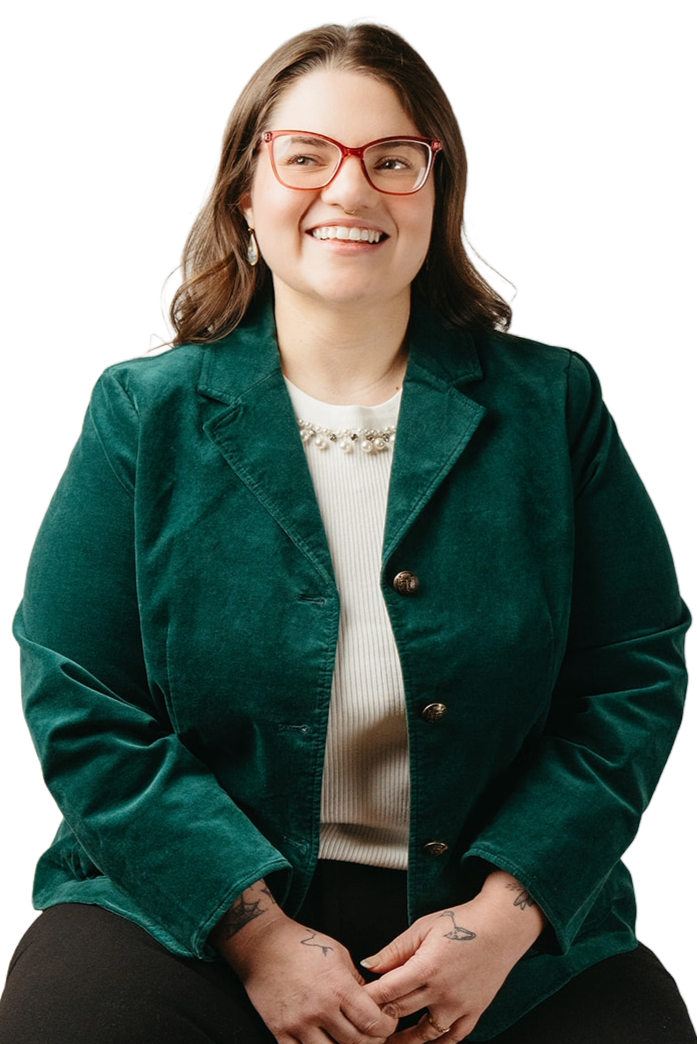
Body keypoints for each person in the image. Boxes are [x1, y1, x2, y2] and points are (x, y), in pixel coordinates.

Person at [3, 15, 694, 1044]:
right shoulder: (144, 412)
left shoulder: (553, 405)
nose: (350, 190)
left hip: (483, 899)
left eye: (393, 159)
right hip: (191, 908)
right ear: (246, 188)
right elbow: (78, 692)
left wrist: (505, 922)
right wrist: (254, 933)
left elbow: (631, 671)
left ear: (439, 186)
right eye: (307, 155)